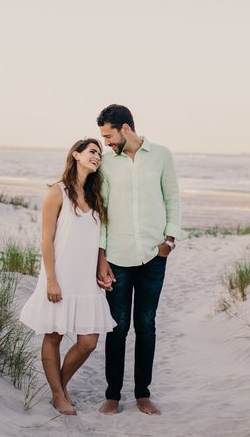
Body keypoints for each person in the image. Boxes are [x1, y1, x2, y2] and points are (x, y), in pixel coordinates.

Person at [96, 104, 184, 415]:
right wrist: (102, 257)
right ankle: (113, 395)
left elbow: (172, 197)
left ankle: (142, 394)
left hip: (153, 256)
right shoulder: (106, 165)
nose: (105, 142)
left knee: (145, 324)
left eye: (108, 135)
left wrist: (169, 241)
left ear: (126, 129)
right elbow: (103, 214)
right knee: (117, 328)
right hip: (118, 258)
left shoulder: (162, 155)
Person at [20, 138, 116, 416]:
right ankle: (58, 395)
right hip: (60, 274)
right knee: (54, 335)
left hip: (86, 279)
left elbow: (99, 239)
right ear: (75, 154)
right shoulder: (57, 192)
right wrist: (51, 279)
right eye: (92, 151)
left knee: (89, 341)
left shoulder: (96, 195)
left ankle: (60, 386)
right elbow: (46, 240)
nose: (97, 156)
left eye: (100, 153)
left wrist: (102, 264)